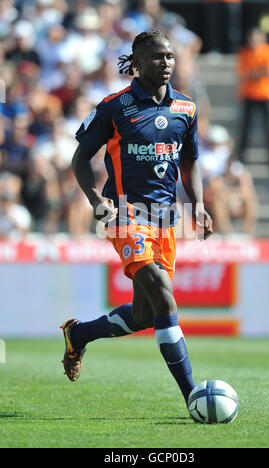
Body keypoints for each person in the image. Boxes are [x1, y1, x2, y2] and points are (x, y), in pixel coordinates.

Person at [60, 30, 213, 408]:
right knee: (163, 293)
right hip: (125, 212)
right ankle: (192, 395)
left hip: (165, 217)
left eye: (170, 57)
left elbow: (190, 162)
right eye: (157, 57)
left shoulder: (187, 109)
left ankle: (79, 335)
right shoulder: (115, 106)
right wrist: (96, 199)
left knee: (146, 314)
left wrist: (200, 204)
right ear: (137, 62)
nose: (166, 64)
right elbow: (80, 159)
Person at [237, 27, 269, 166]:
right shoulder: (244, 52)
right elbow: (244, 73)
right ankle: (241, 156)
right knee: (245, 127)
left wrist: (254, 73)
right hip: (249, 94)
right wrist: (261, 71)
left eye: (257, 37)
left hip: (267, 94)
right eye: (251, 37)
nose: (254, 40)